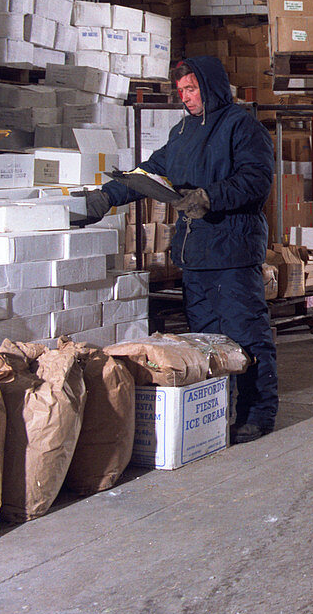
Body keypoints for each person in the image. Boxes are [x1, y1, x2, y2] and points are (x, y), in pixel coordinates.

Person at [76, 56, 277, 443]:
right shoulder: (182, 132)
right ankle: (217, 408)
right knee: (206, 343)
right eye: (181, 91)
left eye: (192, 89)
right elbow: (150, 171)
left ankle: (257, 412)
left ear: (211, 86)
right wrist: (106, 197)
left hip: (233, 252)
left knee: (246, 334)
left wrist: (209, 196)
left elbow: (256, 180)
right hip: (195, 254)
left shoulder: (241, 126)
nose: (186, 97)